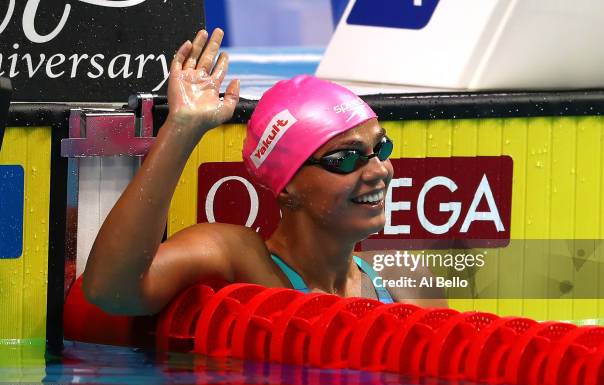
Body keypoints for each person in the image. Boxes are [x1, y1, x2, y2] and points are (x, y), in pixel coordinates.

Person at [82, 29, 446, 315]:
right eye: (346, 158)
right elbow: (111, 292)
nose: (378, 170)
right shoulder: (240, 258)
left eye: (380, 149)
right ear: (287, 188)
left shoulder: (405, 280)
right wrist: (180, 129)